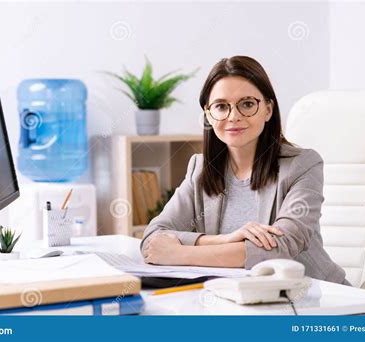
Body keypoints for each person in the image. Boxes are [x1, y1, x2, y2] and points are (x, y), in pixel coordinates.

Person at [140, 55, 351, 285]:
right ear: (208, 115)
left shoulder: (303, 165)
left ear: (268, 110)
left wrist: (180, 254)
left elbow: (278, 250)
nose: (234, 116)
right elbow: (153, 238)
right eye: (221, 106)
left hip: (318, 302)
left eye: (247, 104)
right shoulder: (199, 170)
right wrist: (224, 240)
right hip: (239, 301)